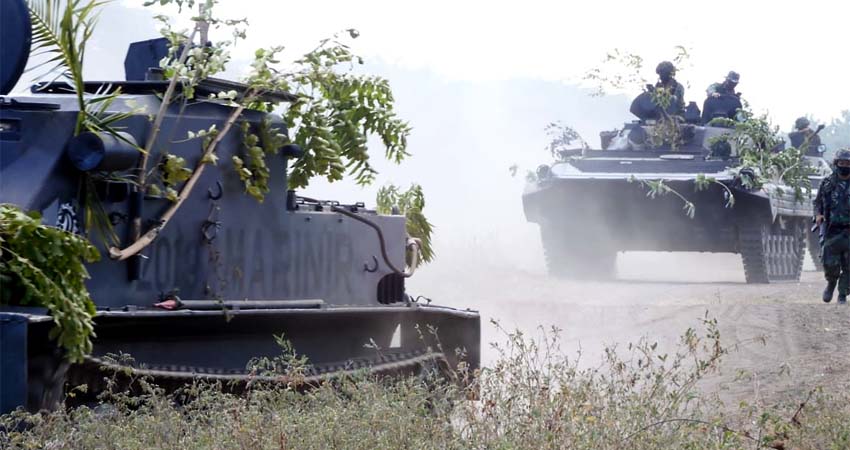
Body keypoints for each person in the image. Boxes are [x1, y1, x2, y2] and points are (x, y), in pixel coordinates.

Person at [814, 148, 850, 304]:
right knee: (830, 264)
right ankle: (831, 283)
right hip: (832, 230)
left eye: (848, 163)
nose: (844, 166)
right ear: (836, 163)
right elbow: (817, 202)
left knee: (849, 267)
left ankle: (842, 295)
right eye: (842, 163)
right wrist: (818, 215)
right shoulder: (827, 183)